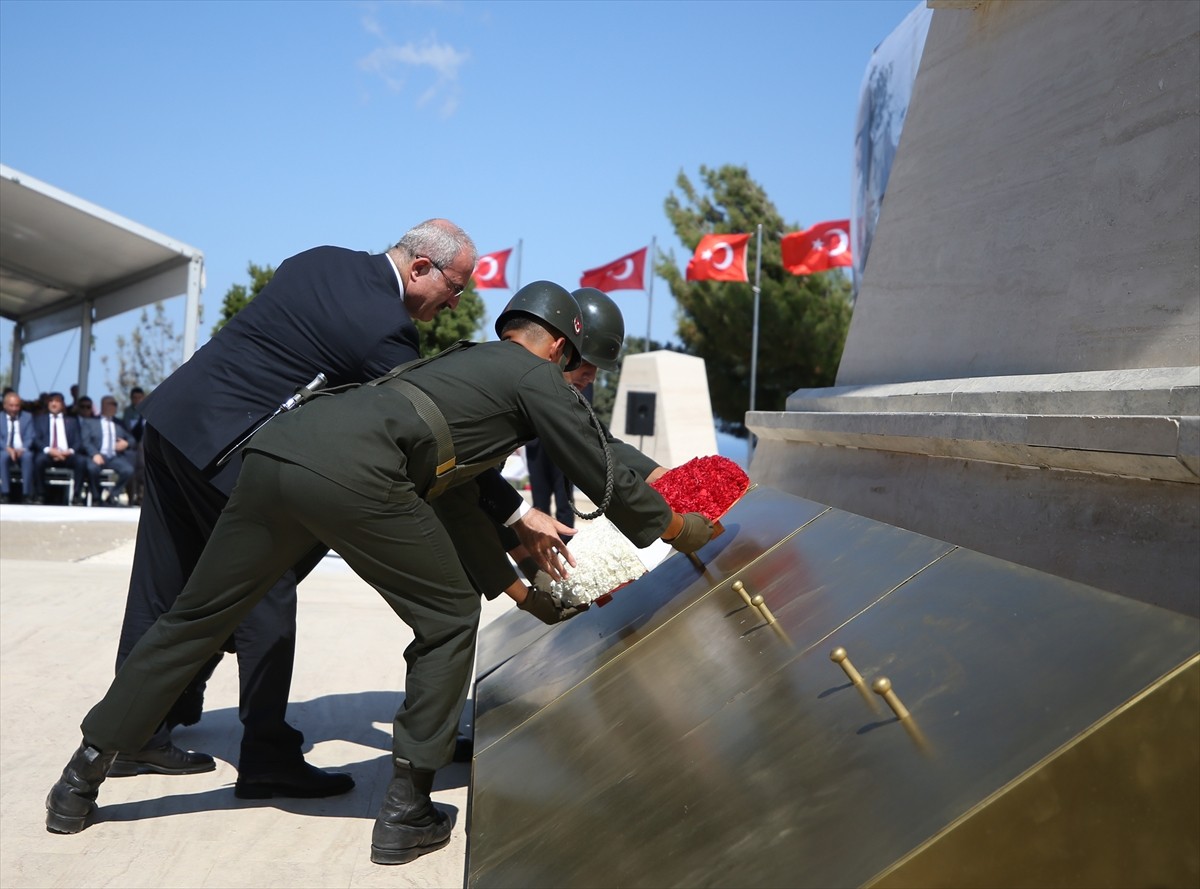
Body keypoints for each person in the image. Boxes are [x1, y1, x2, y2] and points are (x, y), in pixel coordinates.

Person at [44, 279, 716, 868]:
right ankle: (406, 812)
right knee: (449, 618)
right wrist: (679, 527)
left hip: (279, 451)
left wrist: (515, 589)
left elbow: (455, 491)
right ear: (556, 348)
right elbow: (597, 461)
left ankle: (79, 778)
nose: (580, 379)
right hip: (356, 472)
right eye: (581, 366)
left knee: (195, 616)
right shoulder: (533, 375)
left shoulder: (462, 368)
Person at [109, 219, 572, 796]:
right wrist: (514, 514)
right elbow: (433, 442)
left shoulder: (319, 258)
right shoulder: (386, 333)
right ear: (420, 267)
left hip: (173, 422)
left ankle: (133, 735)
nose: (456, 301)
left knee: (160, 580)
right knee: (265, 591)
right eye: (455, 287)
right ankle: (266, 755)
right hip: (229, 452)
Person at [80, 395, 136, 506]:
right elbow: (85, 441)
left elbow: (132, 439)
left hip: (114, 457)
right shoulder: (90, 422)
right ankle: (96, 497)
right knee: (92, 468)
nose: (114, 407)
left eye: (115, 405)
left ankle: (113, 494)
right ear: (104, 406)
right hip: (98, 455)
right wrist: (94, 454)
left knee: (128, 470)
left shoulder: (119, 423)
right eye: (111, 405)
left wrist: (126, 444)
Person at [32, 392, 86, 504]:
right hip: (48, 454)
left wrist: (69, 451)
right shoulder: (39, 420)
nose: (54, 404)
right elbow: (36, 439)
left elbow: (78, 441)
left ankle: (76, 496)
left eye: (57, 401)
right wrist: (49, 450)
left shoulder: (72, 421)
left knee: (81, 461)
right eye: (51, 401)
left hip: (67, 455)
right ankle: (40, 495)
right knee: (38, 460)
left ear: (62, 404)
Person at [2, 391, 37, 504]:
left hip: (22, 450)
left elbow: (30, 436)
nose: (14, 409)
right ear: (5, 405)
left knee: (28, 457)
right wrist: (7, 448)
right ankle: (5, 493)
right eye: (11, 406)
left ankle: (26, 494)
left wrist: (23, 448)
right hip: (4, 449)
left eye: (17, 405)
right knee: (3, 457)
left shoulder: (27, 417)